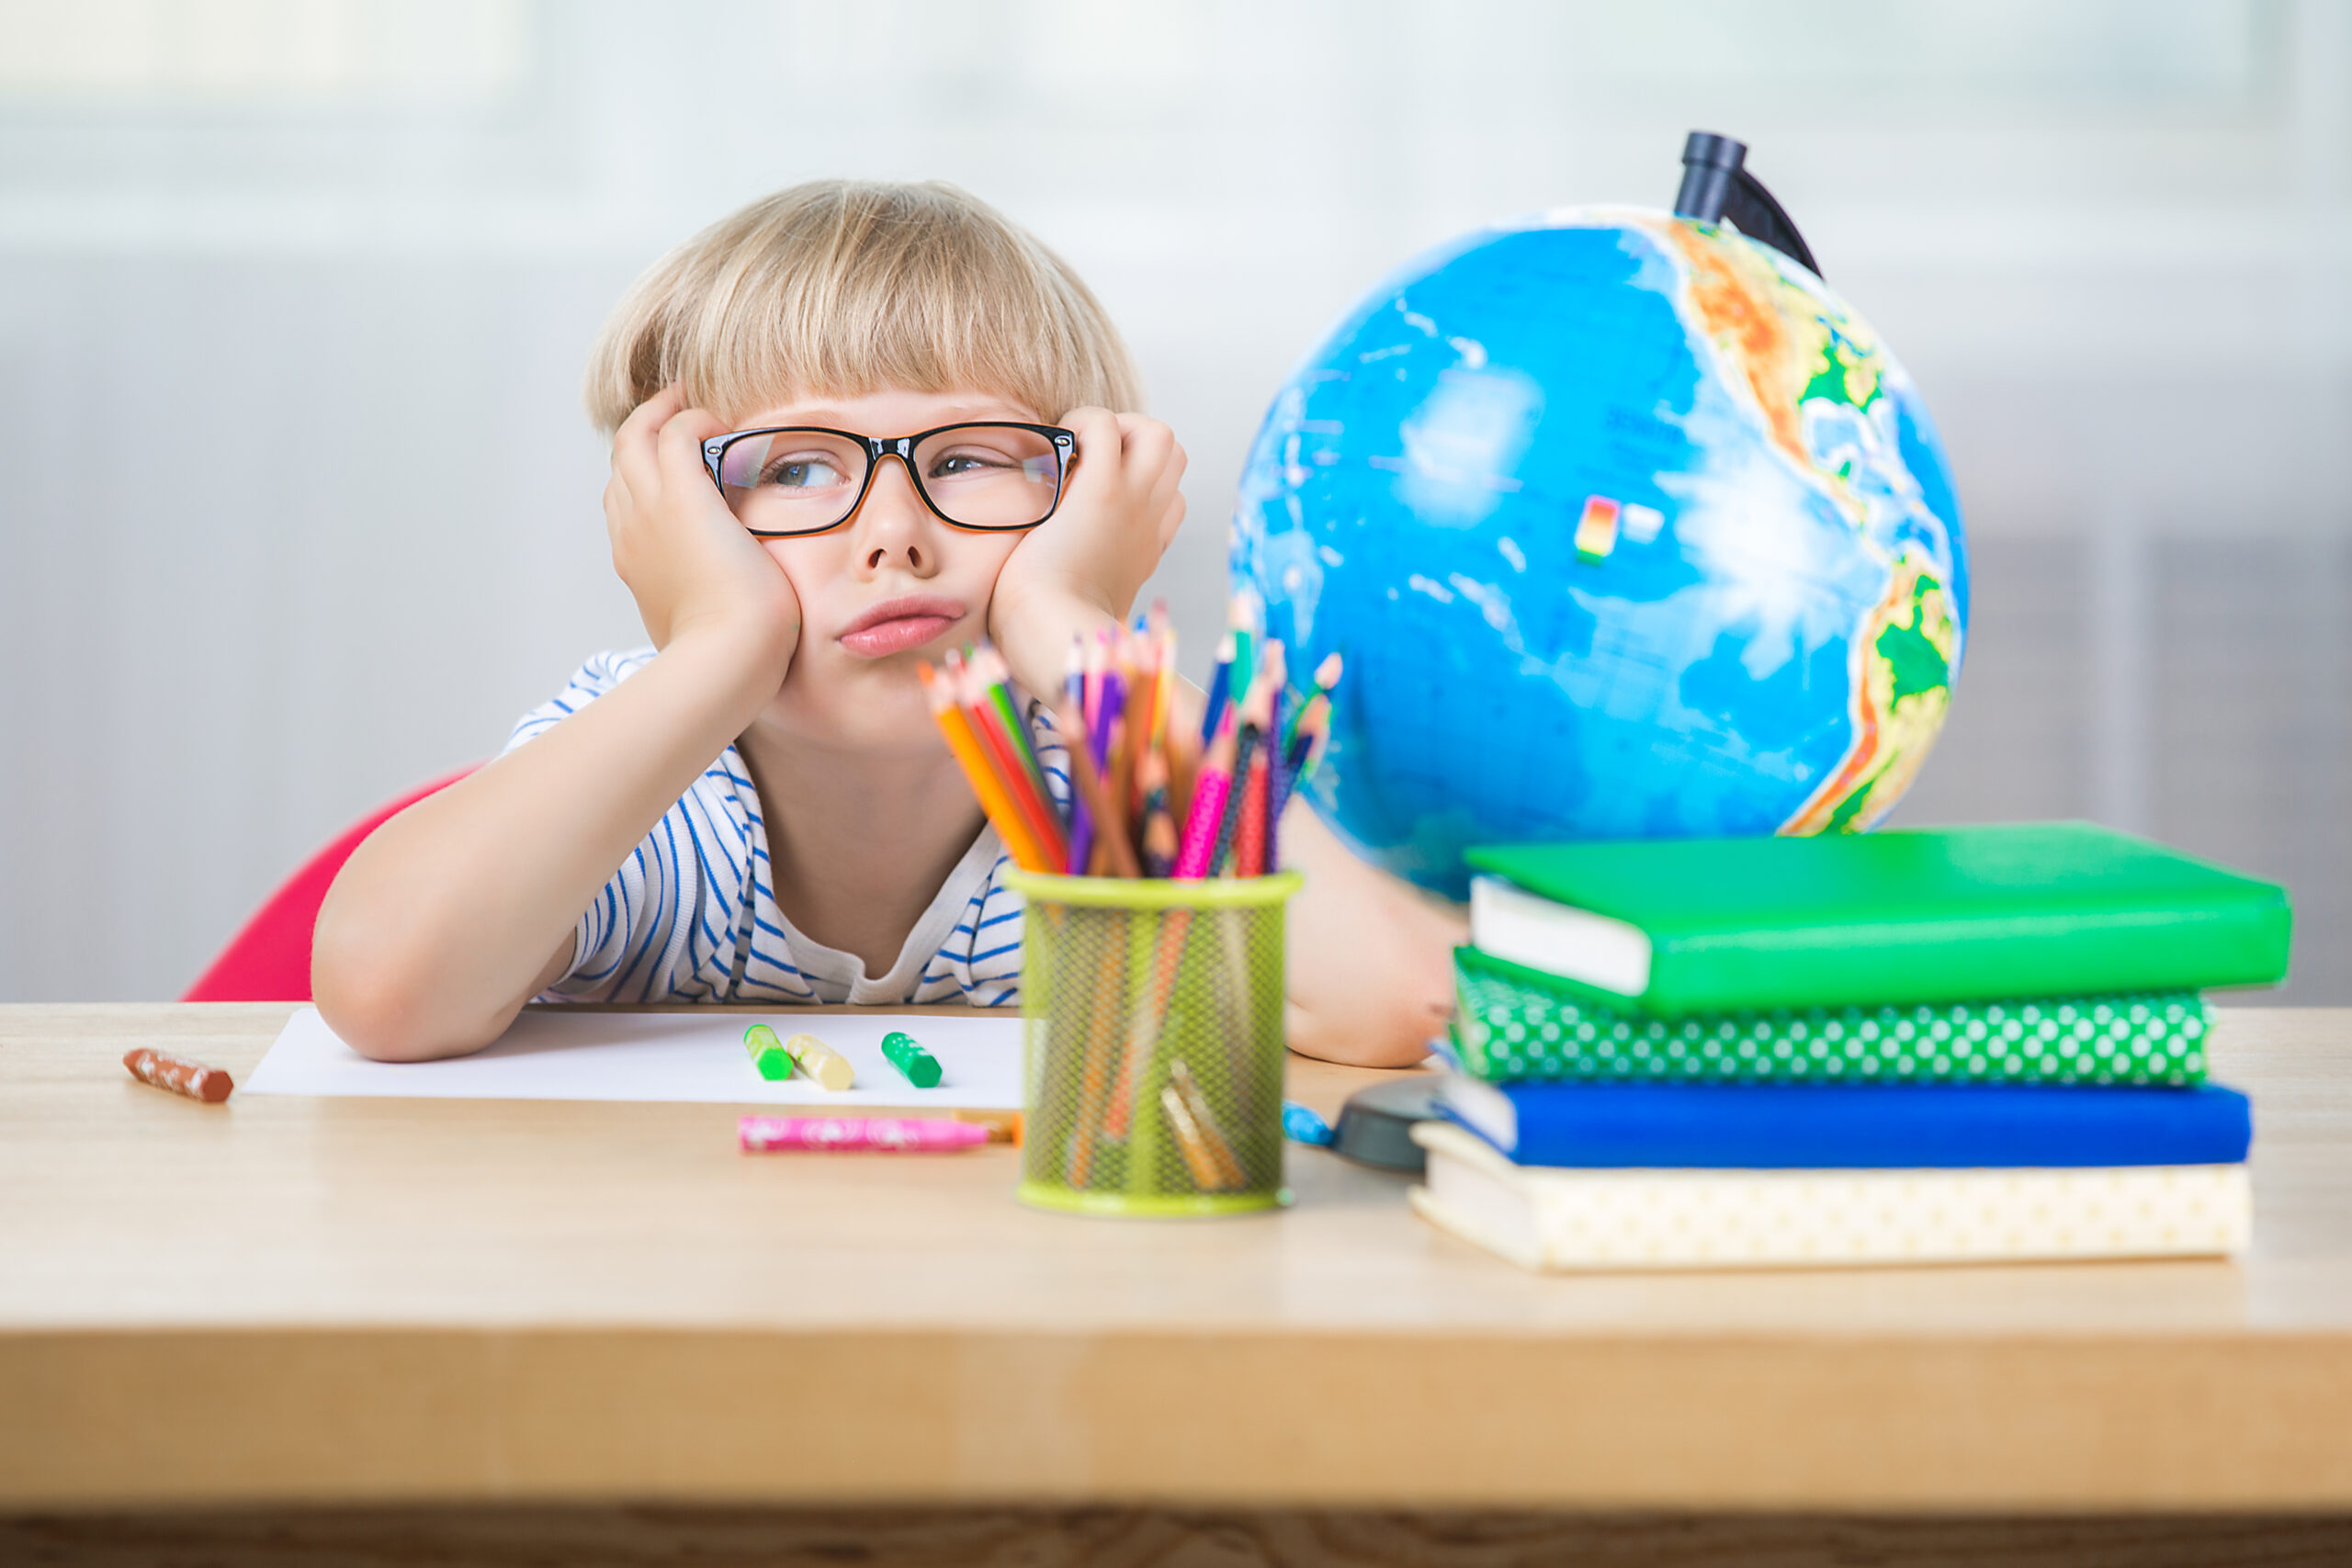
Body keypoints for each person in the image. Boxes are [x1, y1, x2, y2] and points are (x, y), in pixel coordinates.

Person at [312, 180, 1459, 1068]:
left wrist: (1067, 626)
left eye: (969, 458)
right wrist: (717, 646)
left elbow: (1404, 1001)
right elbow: (383, 990)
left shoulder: (1105, 790)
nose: (895, 536)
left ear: (1087, 495)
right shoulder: (655, 784)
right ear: (672, 520)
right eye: (798, 469)